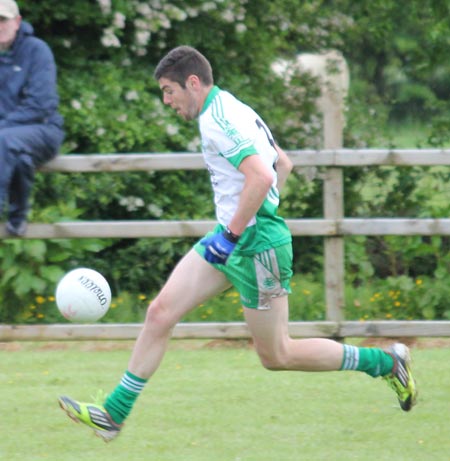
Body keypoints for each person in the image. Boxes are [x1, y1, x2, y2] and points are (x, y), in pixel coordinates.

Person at [58, 46, 417, 442]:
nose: (166, 101)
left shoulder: (218, 120)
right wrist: (236, 228)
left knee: (277, 355)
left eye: (168, 90)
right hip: (235, 235)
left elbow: (262, 176)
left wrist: (238, 233)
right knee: (160, 312)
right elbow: (284, 164)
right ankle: (113, 414)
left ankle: (385, 362)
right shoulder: (230, 107)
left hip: (254, 243)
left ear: (192, 83)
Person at [0, 0, 64, 236]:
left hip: (44, 130)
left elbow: (41, 105)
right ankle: (17, 218)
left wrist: (3, 128)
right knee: (18, 157)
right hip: (9, 139)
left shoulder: (37, 50)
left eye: (2, 20)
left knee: (4, 141)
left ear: (16, 22)